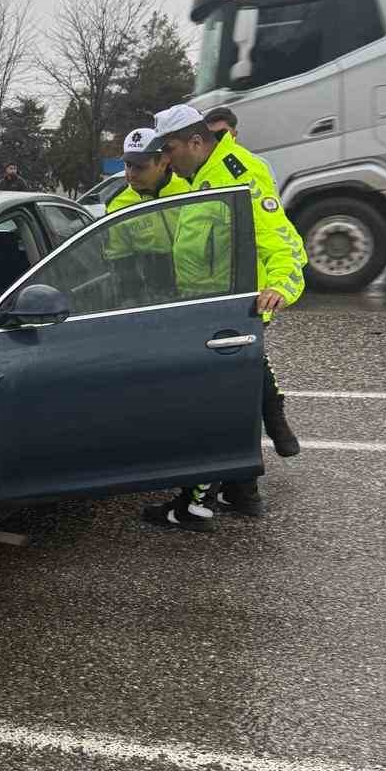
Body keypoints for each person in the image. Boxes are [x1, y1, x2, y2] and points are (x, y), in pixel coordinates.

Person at [143, 103, 307, 528]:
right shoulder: (198, 178)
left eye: (170, 149)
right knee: (234, 406)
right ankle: (242, 490)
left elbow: (281, 241)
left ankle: (194, 504)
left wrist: (282, 287)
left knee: (209, 412)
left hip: (230, 317)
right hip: (206, 311)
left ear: (197, 142)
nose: (166, 159)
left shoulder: (240, 174)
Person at [103, 127, 190, 296]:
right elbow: (120, 263)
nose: (130, 174)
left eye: (140, 167)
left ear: (163, 162)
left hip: (201, 288)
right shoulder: (117, 204)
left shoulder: (190, 187)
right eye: (128, 165)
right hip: (155, 294)